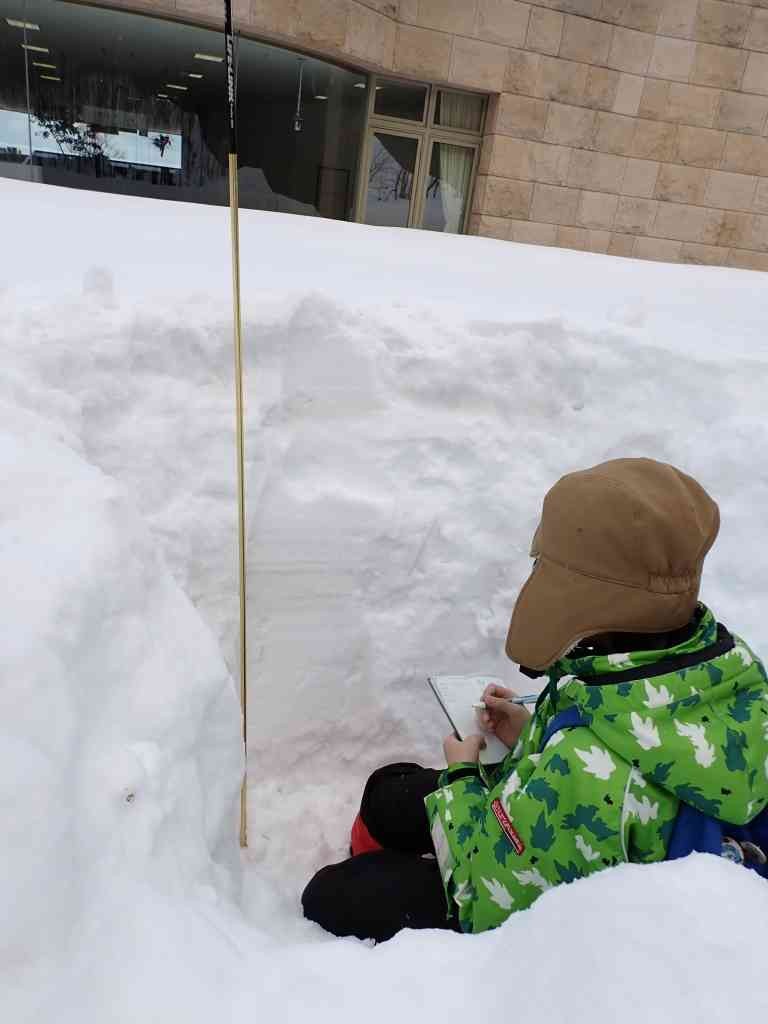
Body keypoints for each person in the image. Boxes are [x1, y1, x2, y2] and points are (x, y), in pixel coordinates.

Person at [302, 458, 768, 941]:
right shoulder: (716, 660)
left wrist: (463, 774)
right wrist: (533, 732)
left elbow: (483, 892)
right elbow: (630, 731)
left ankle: (397, 873)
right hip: (581, 821)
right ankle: (399, 852)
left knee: (331, 894)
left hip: (510, 888)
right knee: (389, 790)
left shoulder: (583, 766)